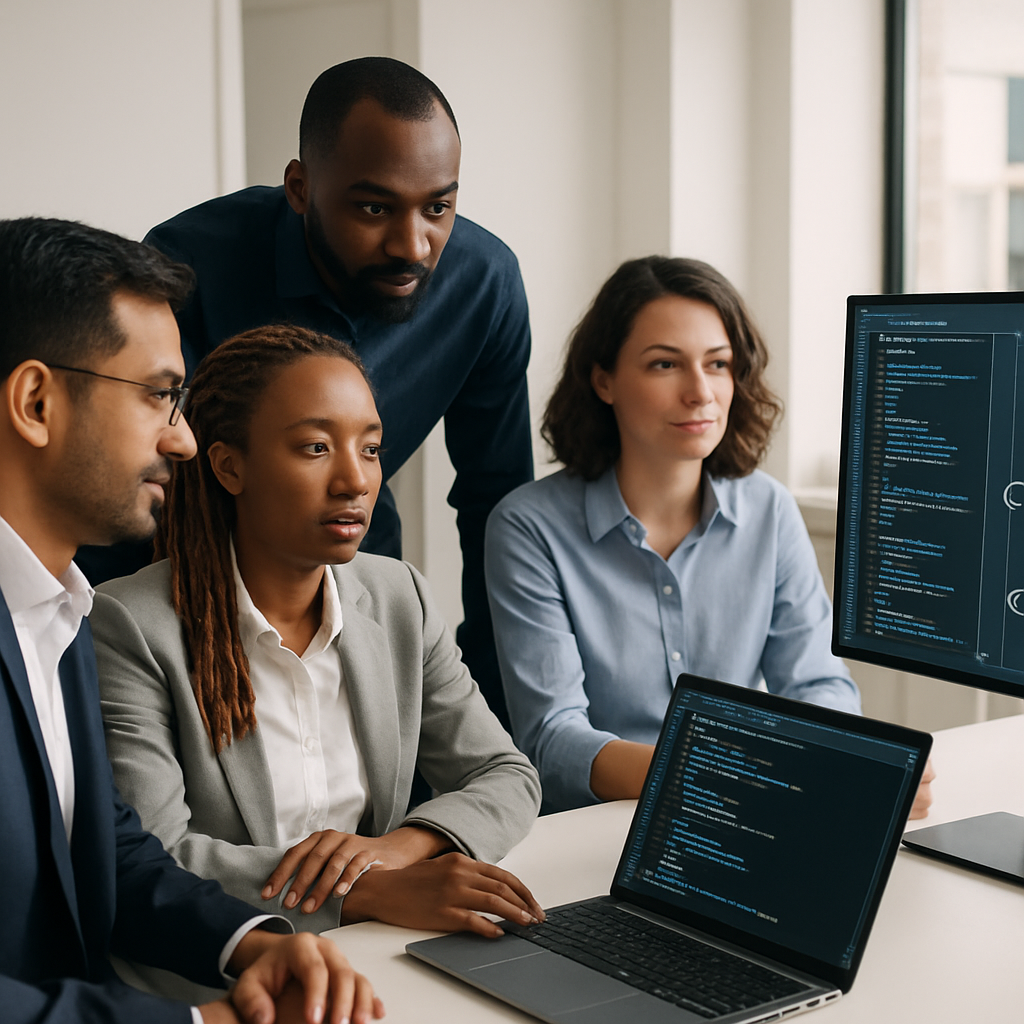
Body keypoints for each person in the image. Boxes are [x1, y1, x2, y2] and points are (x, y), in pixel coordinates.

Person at [0, 216, 383, 1024]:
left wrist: (255, 941)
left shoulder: (56, 607)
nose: (181, 438)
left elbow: (103, 849)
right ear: (36, 401)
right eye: (159, 395)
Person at [79, 56, 532, 729]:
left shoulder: (484, 284)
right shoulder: (190, 262)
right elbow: (132, 473)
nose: (413, 244)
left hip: (353, 580)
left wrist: (493, 703)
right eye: (374, 207)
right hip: (176, 589)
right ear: (300, 187)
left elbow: (494, 504)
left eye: (439, 206)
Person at [89, 323, 543, 951]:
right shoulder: (130, 624)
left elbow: (504, 773)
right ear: (229, 466)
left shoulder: (398, 597)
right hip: (227, 968)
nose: (354, 481)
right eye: (314, 448)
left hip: (382, 949)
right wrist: (359, 893)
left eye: (371, 448)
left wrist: (394, 852)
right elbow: (156, 857)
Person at [485, 256, 936, 816]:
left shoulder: (769, 508)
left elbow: (817, 683)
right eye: (665, 364)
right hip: (594, 828)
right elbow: (552, 740)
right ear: (604, 380)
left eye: (717, 363)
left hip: (747, 817)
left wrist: (855, 760)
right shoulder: (528, 526)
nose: (700, 392)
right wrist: (729, 773)